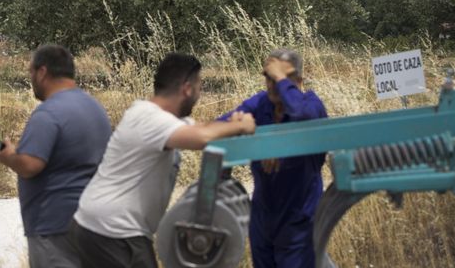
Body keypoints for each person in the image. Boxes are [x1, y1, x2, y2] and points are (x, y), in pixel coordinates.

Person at [70, 53, 256, 268]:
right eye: (199, 88)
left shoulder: (154, 116)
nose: (199, 94)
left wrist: (229, 124)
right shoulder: (151, 119)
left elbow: (202, 128)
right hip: (112, 230)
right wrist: (241, 126)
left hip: (104, 227)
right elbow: (201, 138)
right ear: (187, 89)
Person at [0, 44, 112, 268]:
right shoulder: (95, 109)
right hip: (93, 223)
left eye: (31, 72)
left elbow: (30, 165)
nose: (30, 78)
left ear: (42, 72)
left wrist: (8, 155)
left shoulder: (48, 114)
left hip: (54, 226)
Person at [218, 48, 328, 268]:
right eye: (269, 77)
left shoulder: (311, 104)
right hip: (263, 218)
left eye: (281, 78)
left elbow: (303, 115)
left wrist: (279, 77)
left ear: (299, 81)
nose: (274, 84)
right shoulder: (261, 104)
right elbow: (218, 126)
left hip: (300, 220)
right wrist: (236, 126)